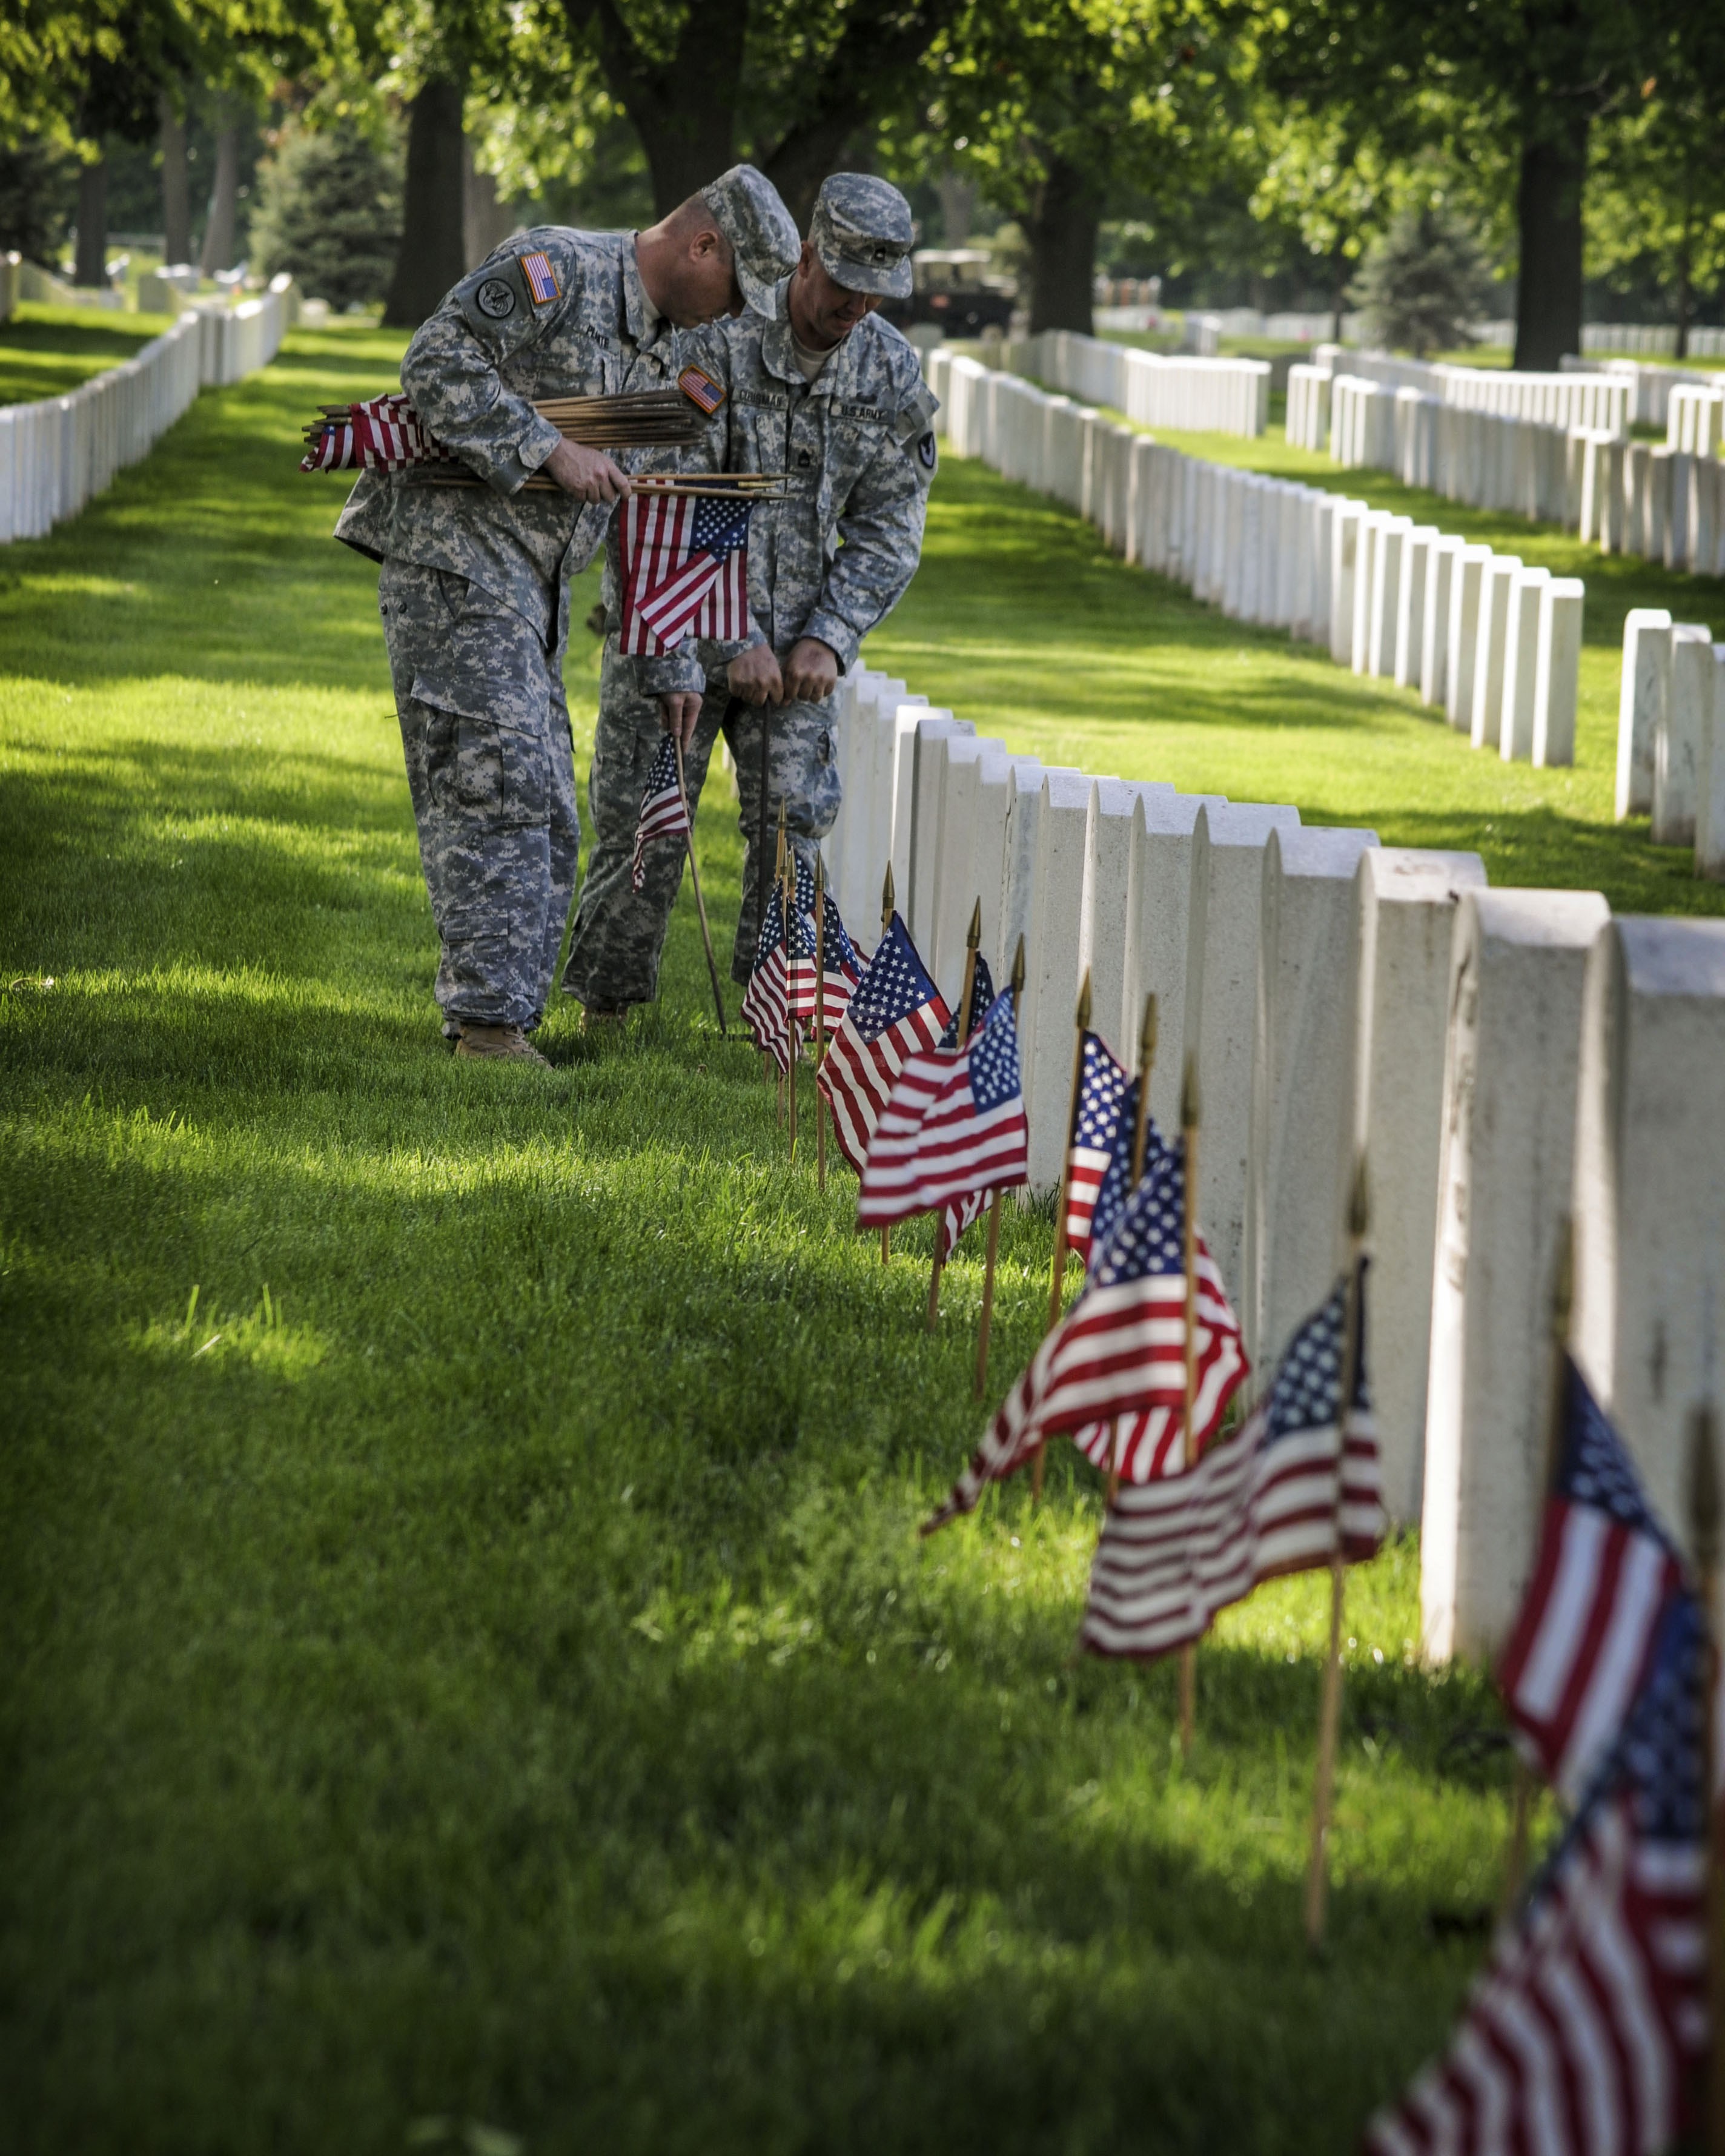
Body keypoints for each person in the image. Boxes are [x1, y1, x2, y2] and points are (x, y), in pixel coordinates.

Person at [334, 167, 800, 1063]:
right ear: (702, 245)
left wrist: (669, 664)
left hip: (532, 589)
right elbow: (435, 358)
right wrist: (547, 448)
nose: (739, 314)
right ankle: (489, 1032)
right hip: (454, 560)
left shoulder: (674, 356)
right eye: (739, 288)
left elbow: (646, 513)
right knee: (497, 778)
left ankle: (500, 1015)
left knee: (550, 804)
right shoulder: (555, 268)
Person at [561, 172, 939, 1024]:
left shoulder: (889, 374)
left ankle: (776, 1020)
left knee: (794, 827)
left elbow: (890, 525)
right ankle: (607, 1015)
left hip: (801, 646)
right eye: (843, 283)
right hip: (679, 625)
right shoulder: (715, 331)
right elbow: (659, 492)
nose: (856, 307)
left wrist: (832, 636)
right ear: (806, 257)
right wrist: (732, 638)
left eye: (876, 291)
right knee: (640, 825)